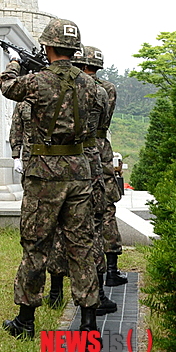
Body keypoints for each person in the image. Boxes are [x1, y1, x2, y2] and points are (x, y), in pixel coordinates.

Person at [0, 18, 101, 347]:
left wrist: (16, 61)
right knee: (81, 245)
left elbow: (7, 85)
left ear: (48, 46)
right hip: (79, 169)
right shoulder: (93, 87)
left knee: (35, 245)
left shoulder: (39, 81)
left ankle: (26, 320)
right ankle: (87, 323)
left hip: (44, 171)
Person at [46, 46, 117, 316]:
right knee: (89, 231)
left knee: (54, 231)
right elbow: (104, 123)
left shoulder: (54, 85)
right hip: (90, 163)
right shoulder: (101, 90)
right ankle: (95, 296)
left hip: (58, 162)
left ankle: (55, 290)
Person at [74, 45, 127, 286]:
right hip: (102, 146)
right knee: (107, 208)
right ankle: (112, 268)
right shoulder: (108, 88)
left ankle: (90, 269)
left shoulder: (81, 87)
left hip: (83, 147)